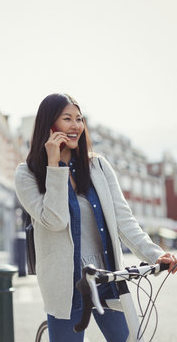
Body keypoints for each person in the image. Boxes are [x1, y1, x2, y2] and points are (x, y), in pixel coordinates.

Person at [15, 93, 177, 342]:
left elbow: (124, 220)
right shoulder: (27, 174)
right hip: (65, 286)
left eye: (79, 119)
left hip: (107, 279)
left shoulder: (98, 167)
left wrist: (155, 255)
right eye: (67, 118)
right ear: (50, 125)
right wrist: (54, 165)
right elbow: (56, 221)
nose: (75, 126)